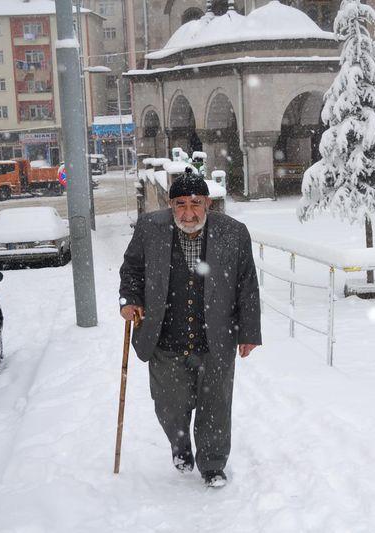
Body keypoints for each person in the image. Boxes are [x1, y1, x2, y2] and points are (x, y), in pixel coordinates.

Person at [119, 171, 261, 488]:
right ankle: (180, 444)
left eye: (196, 203)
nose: (188, 212)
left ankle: (212, 464)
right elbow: (132, 270)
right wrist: (129, 300)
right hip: (165, 338)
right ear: (171, 205)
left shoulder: (233, 232)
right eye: (180, 204)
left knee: (216, 405)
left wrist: (249, 332)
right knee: (170, 405)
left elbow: (247, 285)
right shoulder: (149, 229)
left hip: (217, 338)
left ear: (207, 203)